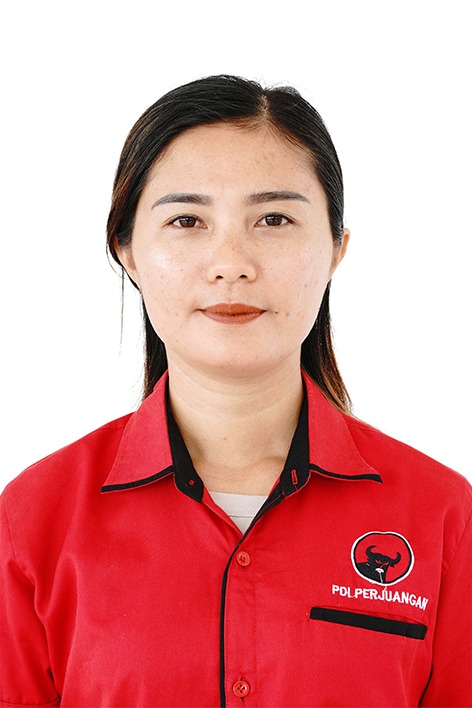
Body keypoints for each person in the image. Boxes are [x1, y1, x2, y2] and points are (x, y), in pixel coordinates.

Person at [1, 75, 470, 708]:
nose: (231, 263)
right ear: (127, 251)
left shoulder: (443, 517)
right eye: (186, 220)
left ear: (337, 248)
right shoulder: (35, 519)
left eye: (274, 218)